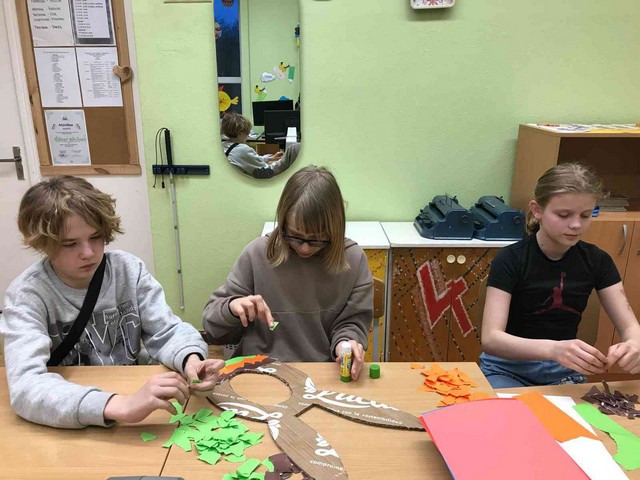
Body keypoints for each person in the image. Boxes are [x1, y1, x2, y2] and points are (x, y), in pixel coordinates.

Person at [0, 176, 225, 428]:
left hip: (135, 394)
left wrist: (191, 360)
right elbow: (26, 385)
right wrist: (120, 405)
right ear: (42, 243)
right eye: (70, 244)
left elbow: (166, 330)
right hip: (70, 410)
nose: (88, 253)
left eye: (96, 237)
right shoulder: (26, 294)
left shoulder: (128, 270)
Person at [203, 166, 373, 380]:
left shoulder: (353, 260)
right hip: (258, 373)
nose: (305, 248)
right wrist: (232, 309)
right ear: (283, 222)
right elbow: (212, 327)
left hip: (321, 374)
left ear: (336, 229)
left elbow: (352, 323)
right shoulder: (258, 254)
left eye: (317, 239)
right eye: (295, 236)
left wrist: (345, 343)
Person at [480, 163, 640, 388]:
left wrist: (634, 344)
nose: (576, 225)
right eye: (563, 215)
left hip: (564, 374)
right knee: (510, 410)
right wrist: (553, 349)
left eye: (586, 215)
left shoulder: (597, 260)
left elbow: (630, 327)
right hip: (507, 369)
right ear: (537, 210)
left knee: (577, 412)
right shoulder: (511, 259)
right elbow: (491, 339)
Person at [221, 112, 299, 179]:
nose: (248, 135)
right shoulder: (242, 150)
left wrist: (269, 158)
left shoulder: (223, 146)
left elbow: (249, 161)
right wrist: (286, 159)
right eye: (247, 132)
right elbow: (267, 172)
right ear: (240, 132)